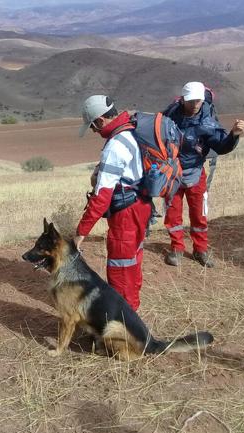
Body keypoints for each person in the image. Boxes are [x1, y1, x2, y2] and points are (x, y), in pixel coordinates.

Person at [73, 95, 152, 311]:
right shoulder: (130, 130)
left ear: (100, 120)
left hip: (125, 214)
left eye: (93, 126)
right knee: (133, 264)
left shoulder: (114, 146)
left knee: (120, 271)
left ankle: (123, 327)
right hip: (141, 205)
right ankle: (133, 312)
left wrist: (80, 234)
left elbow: (101, 199)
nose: (94, 131)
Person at [162, 82, 244, 267]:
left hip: (196, 172)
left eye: (198, 100)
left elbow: (221, 145)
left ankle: (200, 249)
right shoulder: (169, 116)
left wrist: (234, 135)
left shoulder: (208, 122)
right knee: (173, 213)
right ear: (183, 99)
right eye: (191, 100)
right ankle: (177, 248)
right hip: (172, 173)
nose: (195, 104)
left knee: (199, 214)